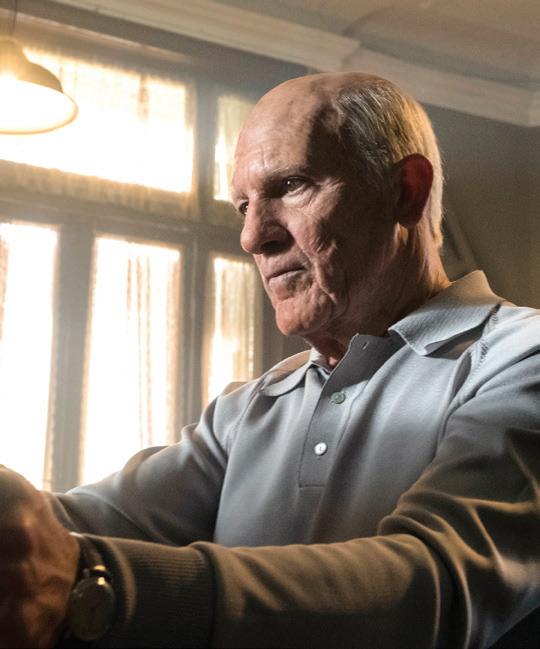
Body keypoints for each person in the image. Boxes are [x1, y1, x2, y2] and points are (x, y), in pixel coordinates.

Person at [0, 72, 539, 649]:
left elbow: (431, 590)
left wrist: (97, 586)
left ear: (406, 191)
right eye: (243, 206)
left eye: (290, 185)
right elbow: (68, 527)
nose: (253, 237)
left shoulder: (520, 359)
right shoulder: (249, 407)